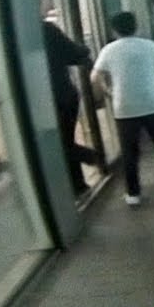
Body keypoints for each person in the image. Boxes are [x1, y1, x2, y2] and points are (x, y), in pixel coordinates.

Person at [91, 12, 154, 206]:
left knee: (130, 152)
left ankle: (133, 194)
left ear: (114, 30)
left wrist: (108, 91)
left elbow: (95, 77)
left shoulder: (108, 50)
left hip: (124, 107)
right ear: (136, 26)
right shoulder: (150, 46)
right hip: (153, 103)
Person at [42, 21, 98, 194]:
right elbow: (74, 54)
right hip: (63, 96)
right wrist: (85, 50)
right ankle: (87, 163)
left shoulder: (11, 38)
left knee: (60, 144)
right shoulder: (46, 29)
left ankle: (78, 185)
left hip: (39, 105)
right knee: (64, 141)